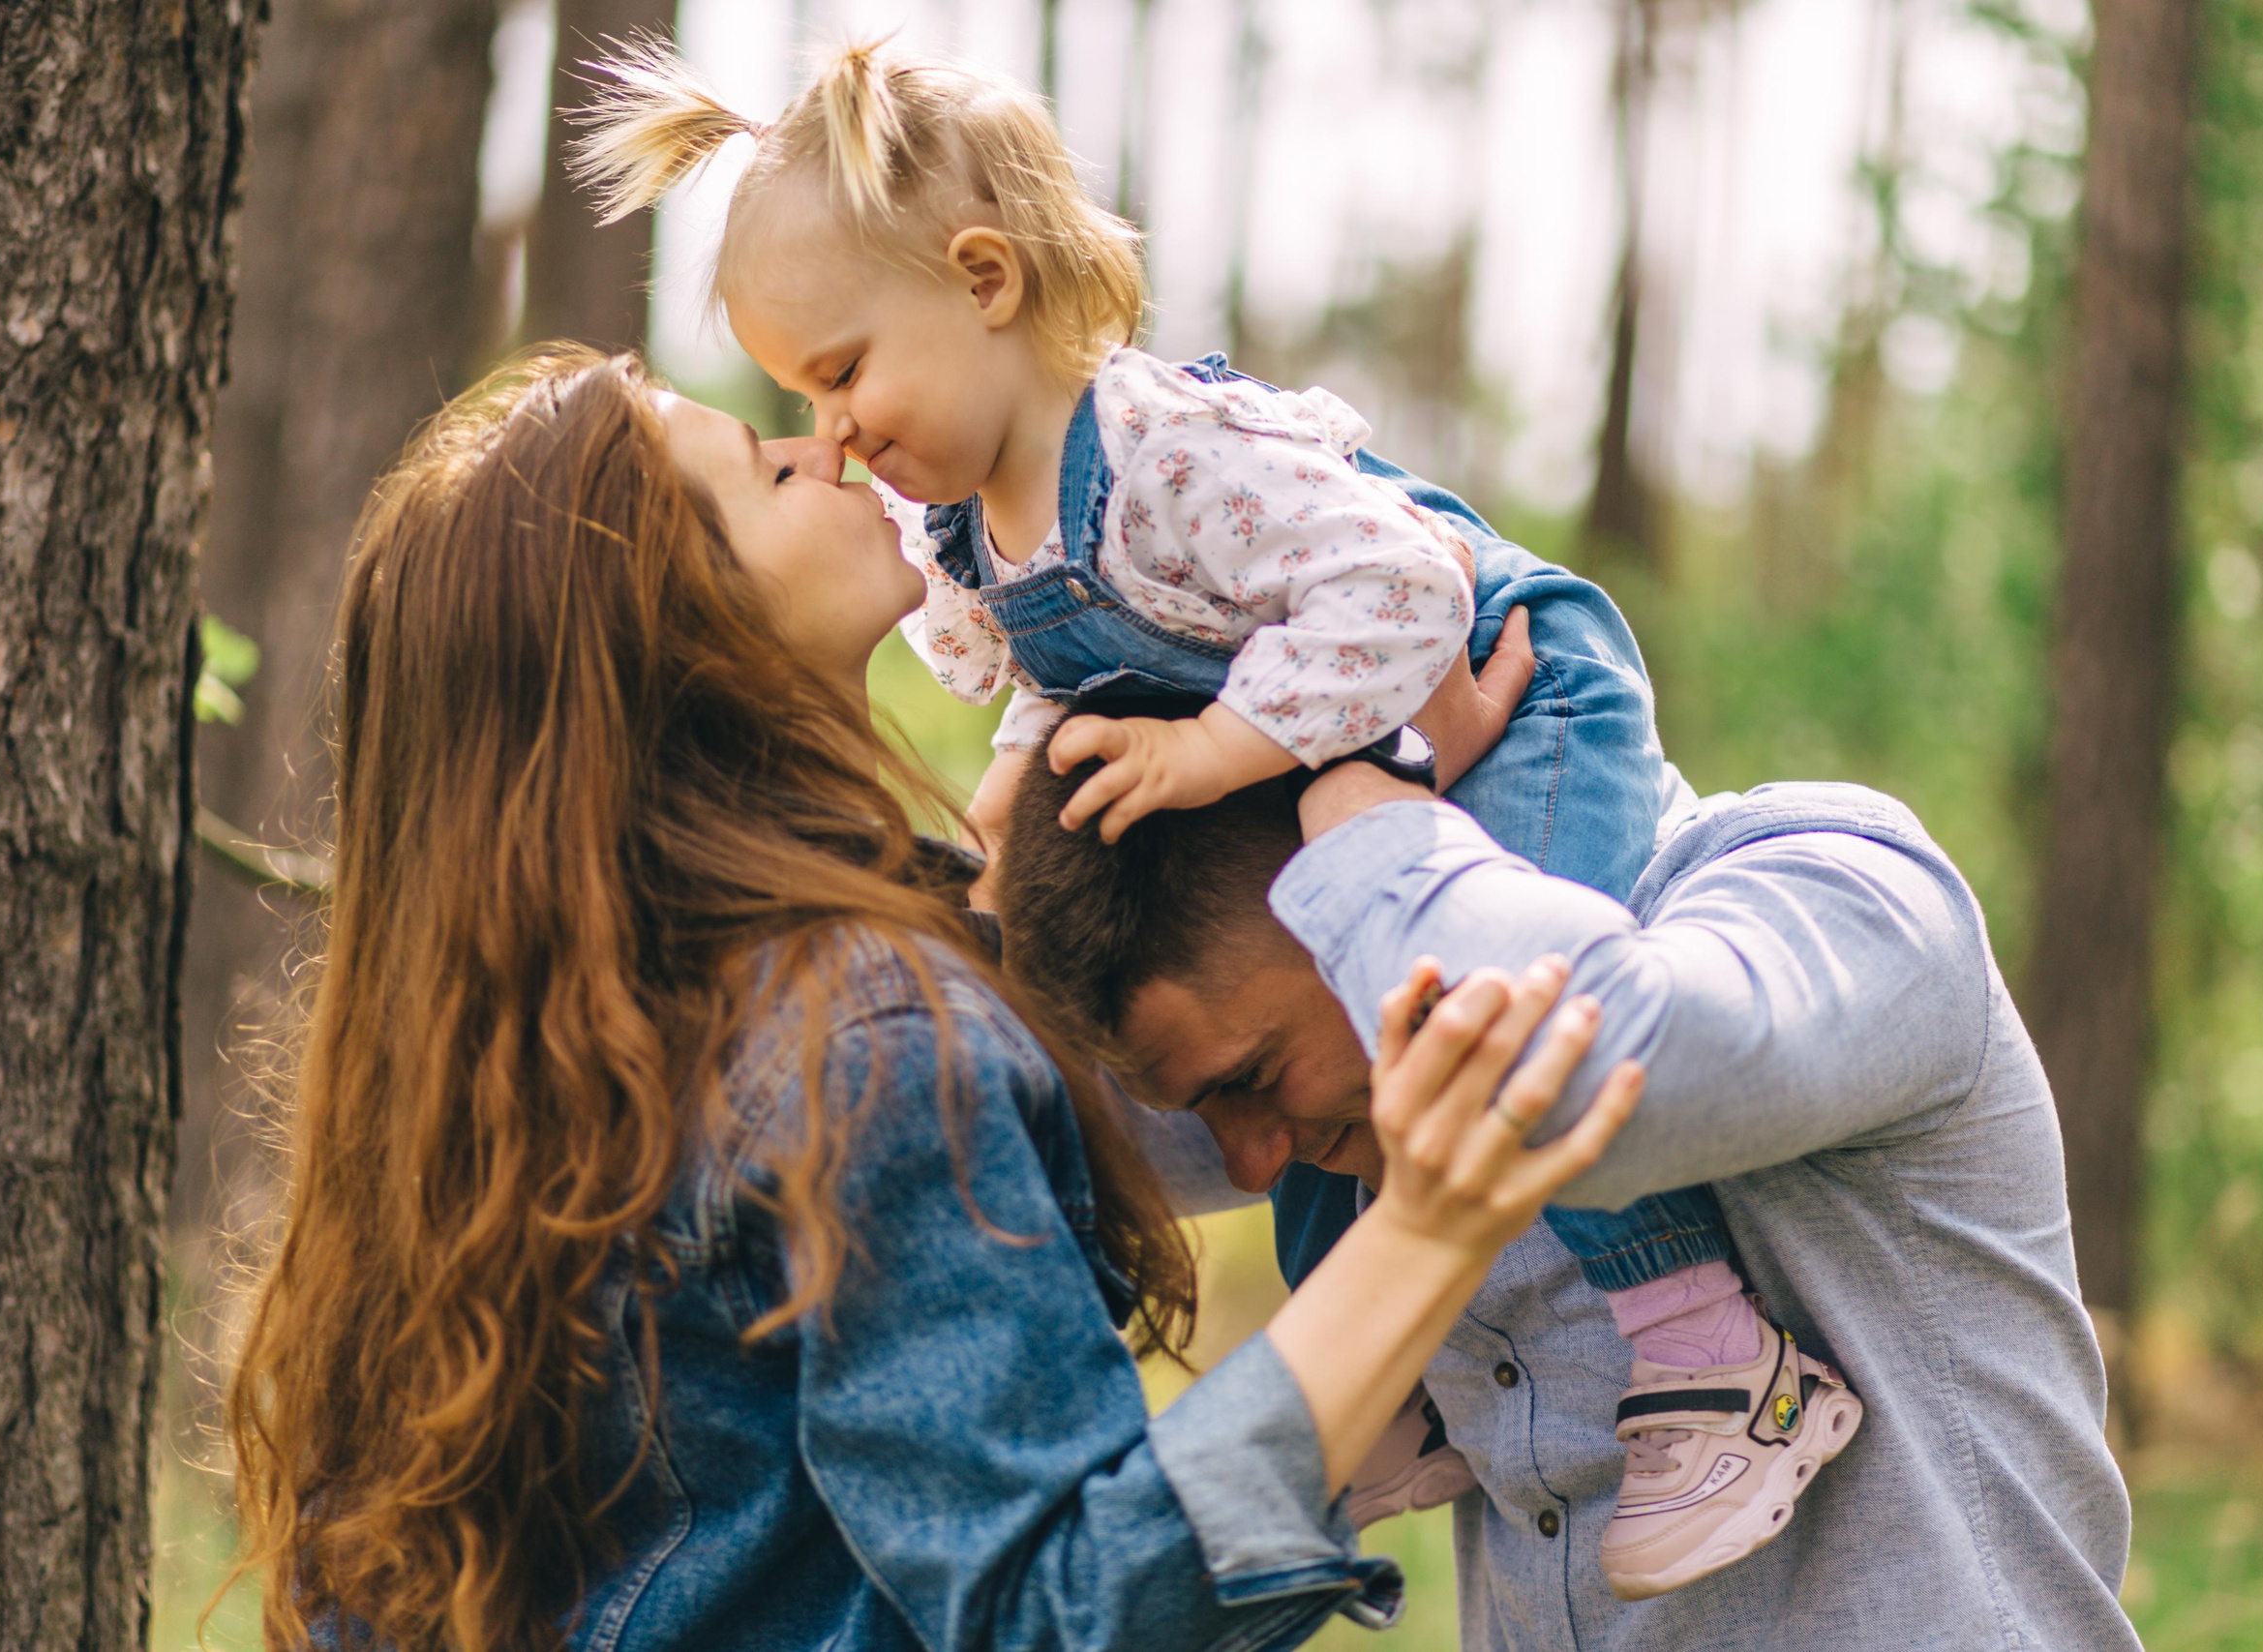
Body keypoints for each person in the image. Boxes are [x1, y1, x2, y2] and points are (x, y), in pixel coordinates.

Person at [565, 38, 1857, 1594]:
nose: (829, 438)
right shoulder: (983, 532)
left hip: (1491, 692)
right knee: (1317, 1111)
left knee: (1520, 1033)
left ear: (984, 279)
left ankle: (1709, 1353)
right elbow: (1086, 685)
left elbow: (1404, 591)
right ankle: (1410, 1374)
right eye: (789, 418)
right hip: (1337, 722)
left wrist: (1302, 760)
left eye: (835, 380)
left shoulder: (1165, 450)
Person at [217, 347, 1645, 1652]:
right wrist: (1427, 1231)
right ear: (675, 636)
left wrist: (1382, 780)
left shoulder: (549, 1054)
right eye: (758, 472)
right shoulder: (864, 1036)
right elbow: (1059, 1611)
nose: (819, 452)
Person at [997, 749, 2144, 1650]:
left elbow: (1604, 1075)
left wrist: (1359, 798)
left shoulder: (1837, 889)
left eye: (1250, 1080)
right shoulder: (1321, 1092)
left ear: (1355, 899)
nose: (1251, 1164)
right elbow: (950, 1136)